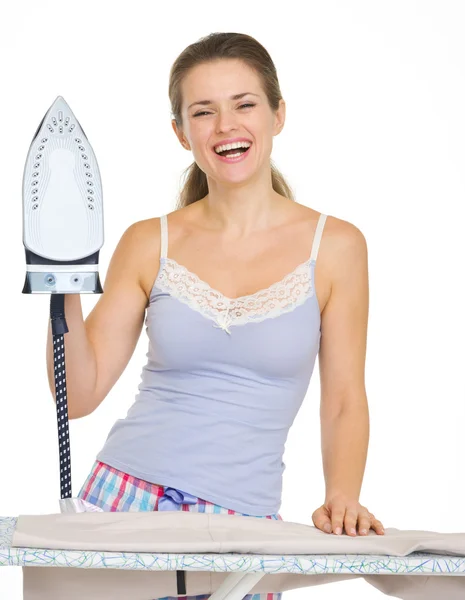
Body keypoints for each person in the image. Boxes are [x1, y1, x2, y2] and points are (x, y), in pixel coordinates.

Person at [46, 31, 383, 600]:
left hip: (242, 528)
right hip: (122, 502)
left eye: (244, 104)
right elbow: (77, 395)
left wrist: (343, 494)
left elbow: (345, 397)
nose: (226, 126)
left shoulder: (337, 246)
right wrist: (63, 277)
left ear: (278, 114)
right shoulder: (150, 240)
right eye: (203, 111)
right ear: (181, 132)